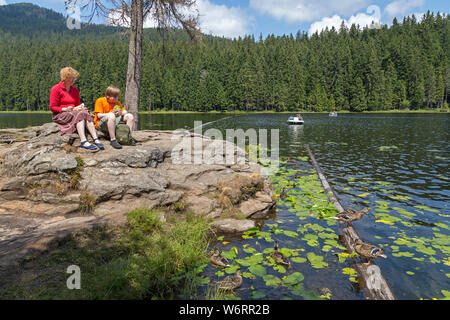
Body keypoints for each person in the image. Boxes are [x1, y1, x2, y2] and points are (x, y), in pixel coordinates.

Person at [50, 67, 104, 150]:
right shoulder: (56, 89)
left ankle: (95, 139)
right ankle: (83, 141)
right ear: (64, 78)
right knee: (80, 114)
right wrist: (65, 109)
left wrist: (81, 108)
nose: (73, 80)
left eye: (74, 78)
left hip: (73, 112)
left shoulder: (75, 90)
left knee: (84, 112)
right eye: (71, 78)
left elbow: (77, 105)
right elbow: (52, 107)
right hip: (60, 114)